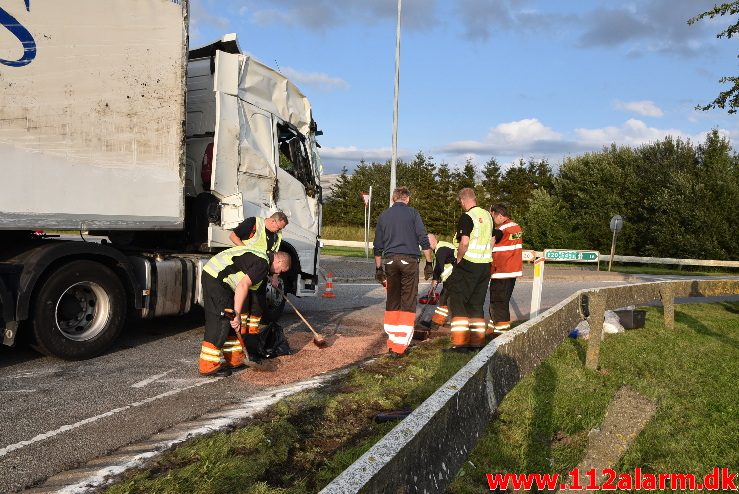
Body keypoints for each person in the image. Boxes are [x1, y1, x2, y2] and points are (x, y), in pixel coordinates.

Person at [198, 246, 291, 376]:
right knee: (222, 321)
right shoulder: (262, 264)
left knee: (231, 321)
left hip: (224, 282)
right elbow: (243, 285)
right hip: (216, 278)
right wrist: (236, 313)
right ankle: (207, 366)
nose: (278, 273)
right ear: (279, 261)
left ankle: (235, 359)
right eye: (281, 270)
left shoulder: (263, 258)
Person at [374, 186, 434, 356]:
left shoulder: (384, 215)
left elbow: (378, 245)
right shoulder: (413, 213)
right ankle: (401, 347)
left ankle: (392, 343)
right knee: (407, 301)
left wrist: (378, 268)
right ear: (407, 199)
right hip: (409, 261)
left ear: (394, 199)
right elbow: (423, 239)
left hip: (390, 261)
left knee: (392, 300)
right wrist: (429, 263)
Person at [445, 188, 494, 349]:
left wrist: (459, 259)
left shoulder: (467, 217)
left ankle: (460, 343)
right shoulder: (487, 215)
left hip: (468, 264)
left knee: (458, 302)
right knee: (476, 304)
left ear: (462, 201)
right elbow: (492, 240)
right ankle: (477, 341)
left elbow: (464, 242)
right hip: (485, 265)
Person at [488, 203, 523, 337]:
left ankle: (501, 335)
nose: (492, 220)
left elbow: (492, 241)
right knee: (502, 300)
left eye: (493, 217)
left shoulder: (502, 228)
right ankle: (492, 328)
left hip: (501, 270)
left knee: (498, 302)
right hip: (512, 270)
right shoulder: (516, 227)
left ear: (500, 215)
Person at [229, 212, 289, 289]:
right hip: (244, 271)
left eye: (281, 228)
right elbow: (233, 237)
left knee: (258, 300)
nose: (279, 230)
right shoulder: (253, 223)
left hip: (260, 274)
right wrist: (248, 253)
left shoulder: (277, 235)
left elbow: (276, 258)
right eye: (279, 228)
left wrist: (275, 276)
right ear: (273, 221)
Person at [428, 233, 456, 329]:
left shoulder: (441, 249)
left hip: (454, 276)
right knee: (449, 299)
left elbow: (439, 266)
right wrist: (438, 278)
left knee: (444, 298)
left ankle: (436, 323)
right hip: (453, 276)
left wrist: (435, 279)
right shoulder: (441, 246)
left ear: (433, 240)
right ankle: (452, 322)